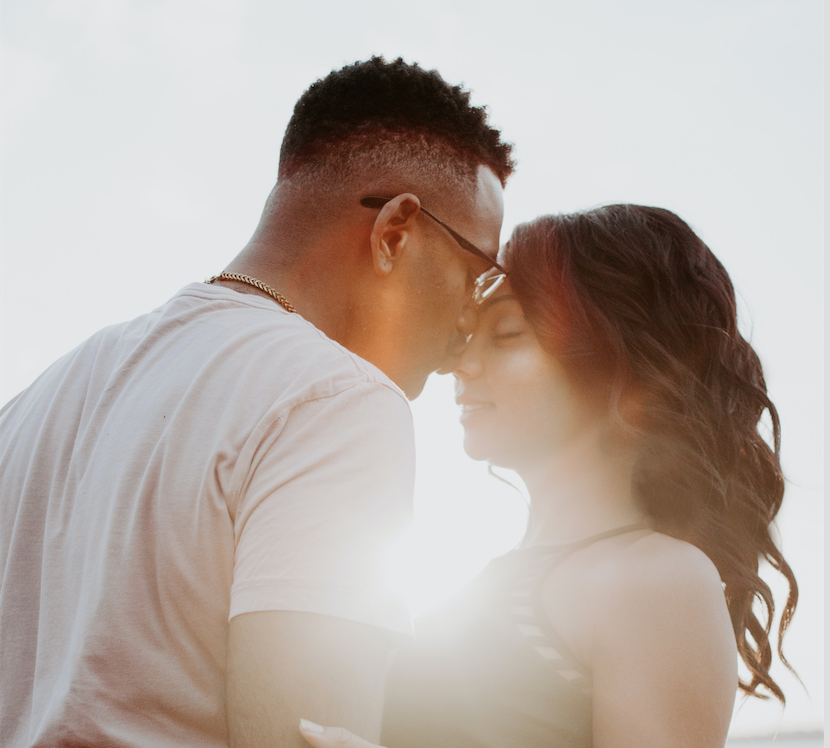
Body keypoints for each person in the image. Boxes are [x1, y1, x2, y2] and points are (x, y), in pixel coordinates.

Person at [0, 57, 514, 748]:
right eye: (479, 273)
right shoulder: (339, 403)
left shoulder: (36, 402)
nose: (468, 321)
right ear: (395, 231)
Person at [299, 205, 798, 748]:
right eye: (470, 337)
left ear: (616, 362)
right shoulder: (496, 580)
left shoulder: (660, 580)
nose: (461, 365)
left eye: (508, 335)